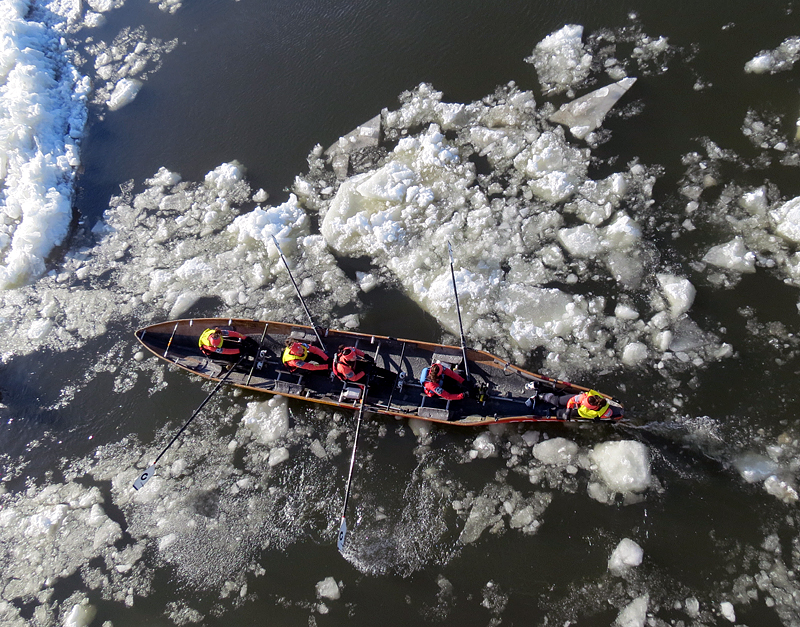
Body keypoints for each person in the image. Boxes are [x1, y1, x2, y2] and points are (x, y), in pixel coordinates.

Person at [534, 389, 618, 421]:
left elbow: (600, 416)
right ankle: (545, 396)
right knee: (558, 401)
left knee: (560, 414)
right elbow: (572, 400)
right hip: (573, 404)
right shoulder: (583, 398)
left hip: (579, 412)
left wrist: (596, 419)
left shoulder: (602, 412)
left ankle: (549, 411)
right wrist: (568, 410)